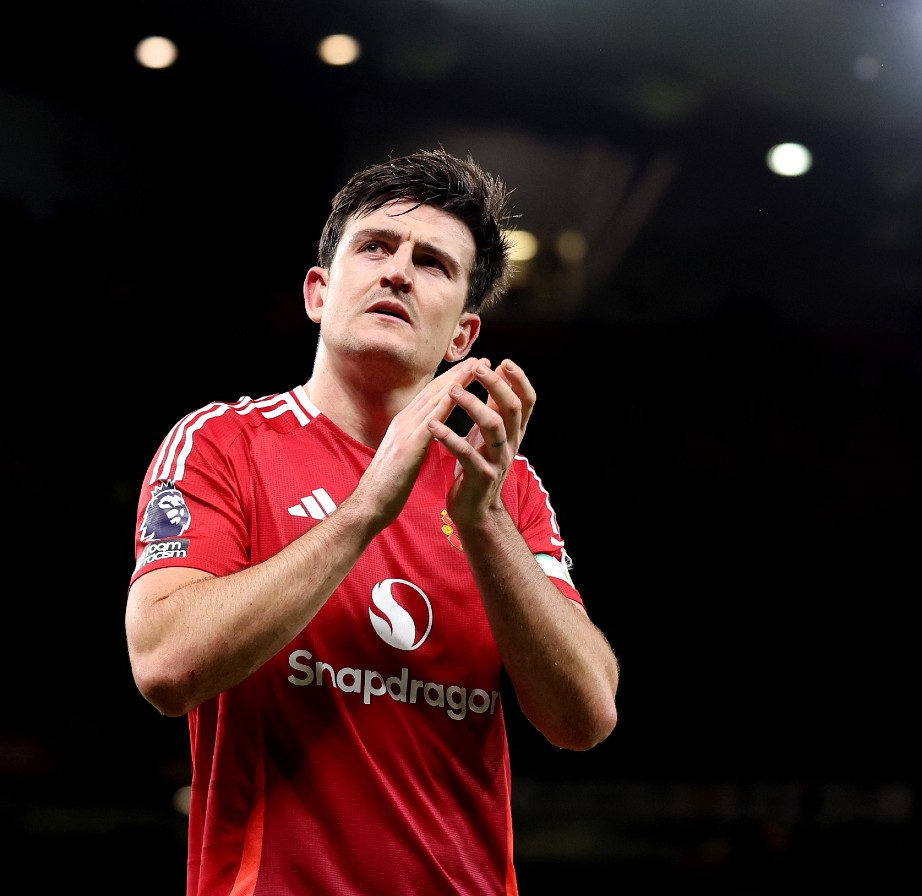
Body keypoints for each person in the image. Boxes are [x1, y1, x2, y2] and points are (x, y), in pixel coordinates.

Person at [125, 147, 620, 895]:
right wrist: (366, 510)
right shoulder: (222, 444)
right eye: (375, 247)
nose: (397, 271)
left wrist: (483, 525)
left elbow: (585, 715)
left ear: (462, 338)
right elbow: (165, 667)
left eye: (433, 264)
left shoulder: (503, 485)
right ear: (319, 292)